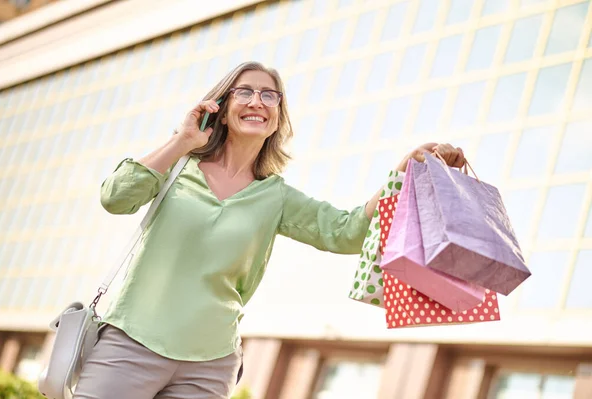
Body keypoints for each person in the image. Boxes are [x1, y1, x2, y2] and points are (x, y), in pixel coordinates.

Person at [74, 61, 465, 399]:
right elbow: (115, 198)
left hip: (209, 365)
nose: (257, 101)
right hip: (131, 344)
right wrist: (182, 141)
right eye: (244, 92)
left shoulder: (275, 196)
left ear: (278, 115)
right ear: (222, 108)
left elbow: (346, 232)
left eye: (270, 95)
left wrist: (402, 172)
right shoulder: (179, 168)